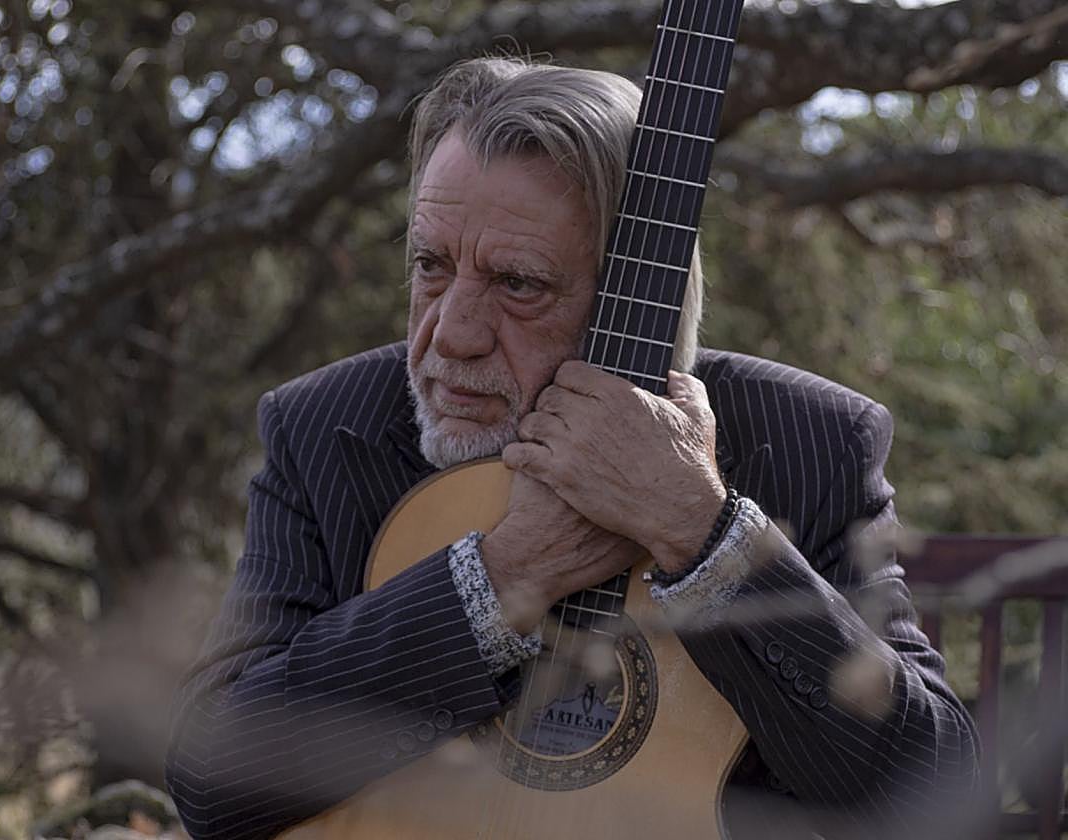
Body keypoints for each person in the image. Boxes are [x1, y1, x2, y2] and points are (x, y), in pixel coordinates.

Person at [164, 58, 979, 839]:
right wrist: (502, 578)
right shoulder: (325, 428)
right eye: (431, 265)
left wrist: (706, 534)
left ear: (639, 298)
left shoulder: (810, 439)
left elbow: (929, 799)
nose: (451, 334)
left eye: (518, 283)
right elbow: (212, 782)